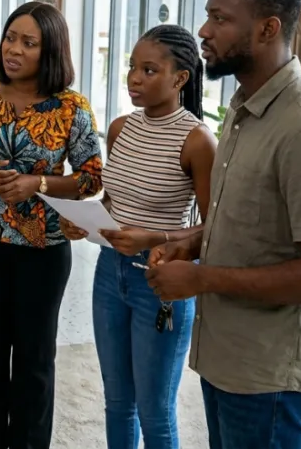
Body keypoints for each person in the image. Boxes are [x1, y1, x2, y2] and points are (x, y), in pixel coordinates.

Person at [145, 0, 301, 449]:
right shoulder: (246, 109)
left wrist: (201, 278)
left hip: (271, 375)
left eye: (220, 19)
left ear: (267, 29)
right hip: (228, 355)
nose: (204, 31)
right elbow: (250, 219)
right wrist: (190, 243)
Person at [0, 1, 102, 449]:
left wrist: (39, 183)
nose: (14, 49)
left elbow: (91, 178)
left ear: (50, 52)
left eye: (29, 43)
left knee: (35, 361)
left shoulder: (71, 107)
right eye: (11, 38)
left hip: (44, 248)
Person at [61, 24, 216, 449]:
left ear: (180, 78)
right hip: (109, 274)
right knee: (117, 402)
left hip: (162, 282)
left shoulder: (198, 141)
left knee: (155, 413)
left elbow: (215, 228)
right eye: (132, 67)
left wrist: (153, 237)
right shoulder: (120, 129)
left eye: (149, 70)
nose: (134, 78)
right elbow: (114, 202)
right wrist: (85, 220)